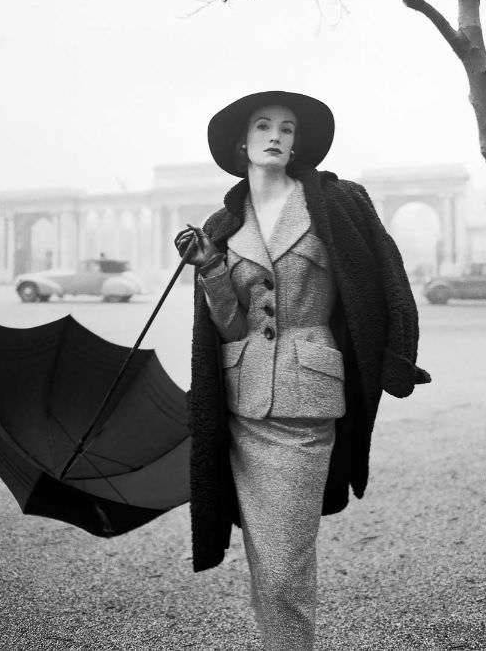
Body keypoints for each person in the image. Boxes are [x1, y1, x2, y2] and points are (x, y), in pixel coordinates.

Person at [174, 90, 431, 651]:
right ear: (241, 142)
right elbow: (232, 328)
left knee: (287, 560)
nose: (275, 137)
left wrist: (397, 355)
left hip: (305, 403)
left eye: (287, 129)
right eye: (263, 127)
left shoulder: (337, 203)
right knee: (264, 557)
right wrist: (212, 269)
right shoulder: (222, 223)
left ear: (297, 142)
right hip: (240, 405)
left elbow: (387, 279)